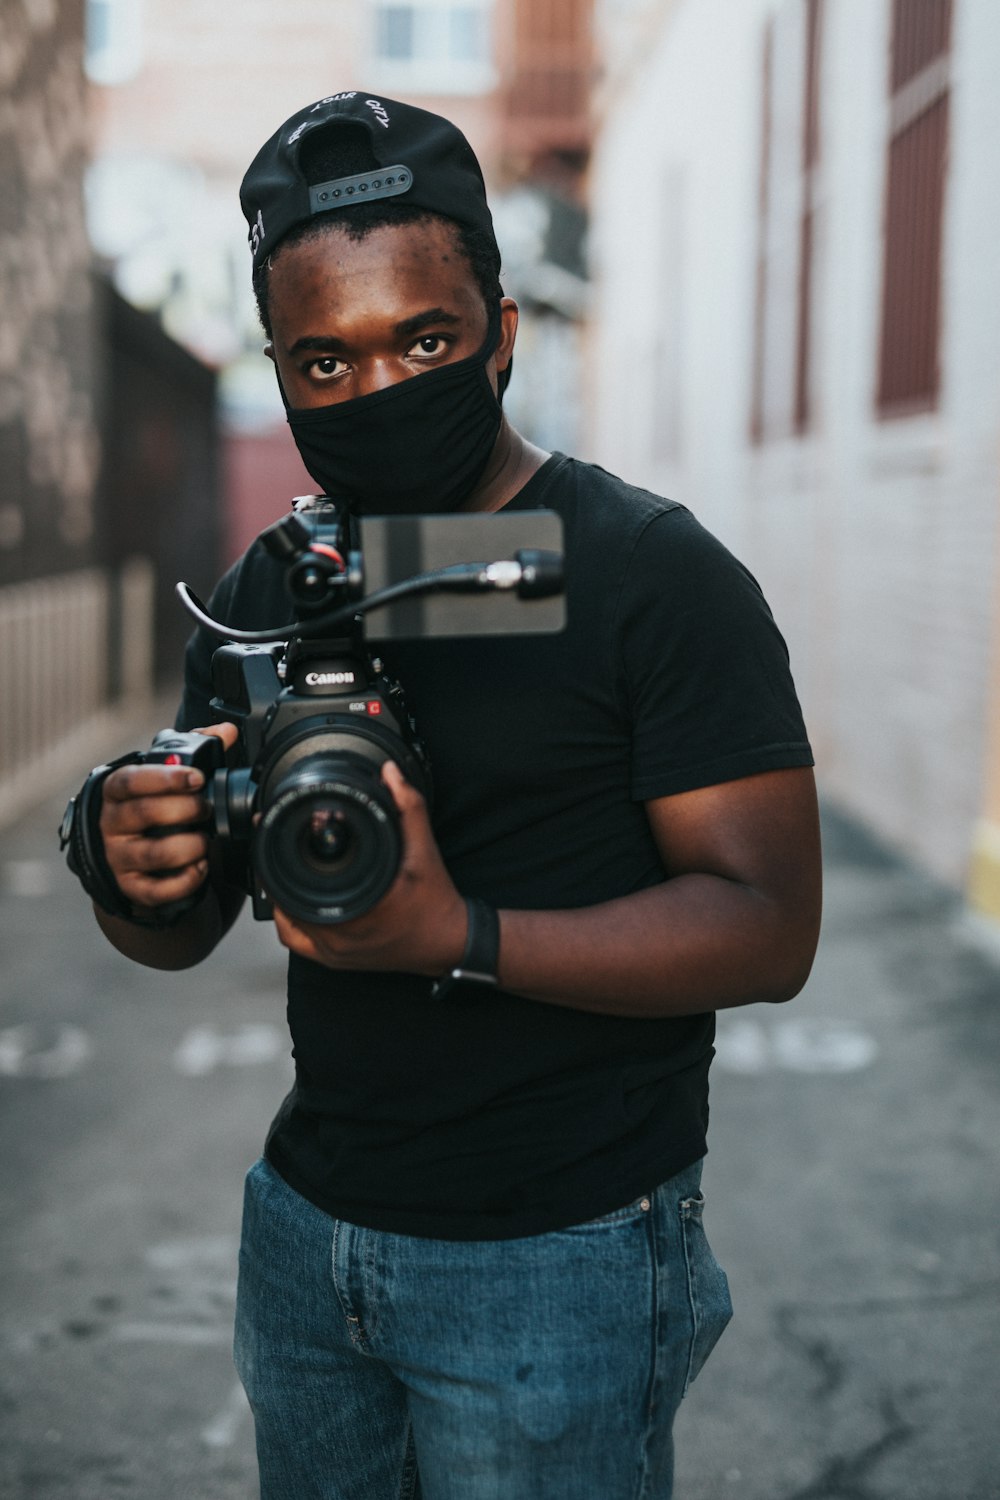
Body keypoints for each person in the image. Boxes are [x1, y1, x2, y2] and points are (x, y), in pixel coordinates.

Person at [66, 93, 822, 1499]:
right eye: (323, 362)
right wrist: (134, 863)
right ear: (279, 372)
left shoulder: (656, 576)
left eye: (423, 340)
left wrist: (459, 935)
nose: (376, 392)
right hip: (307, 1236)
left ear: (503, 332)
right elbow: (175, 933)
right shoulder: (268, 595)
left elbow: (769, 929)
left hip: (564, 1256)